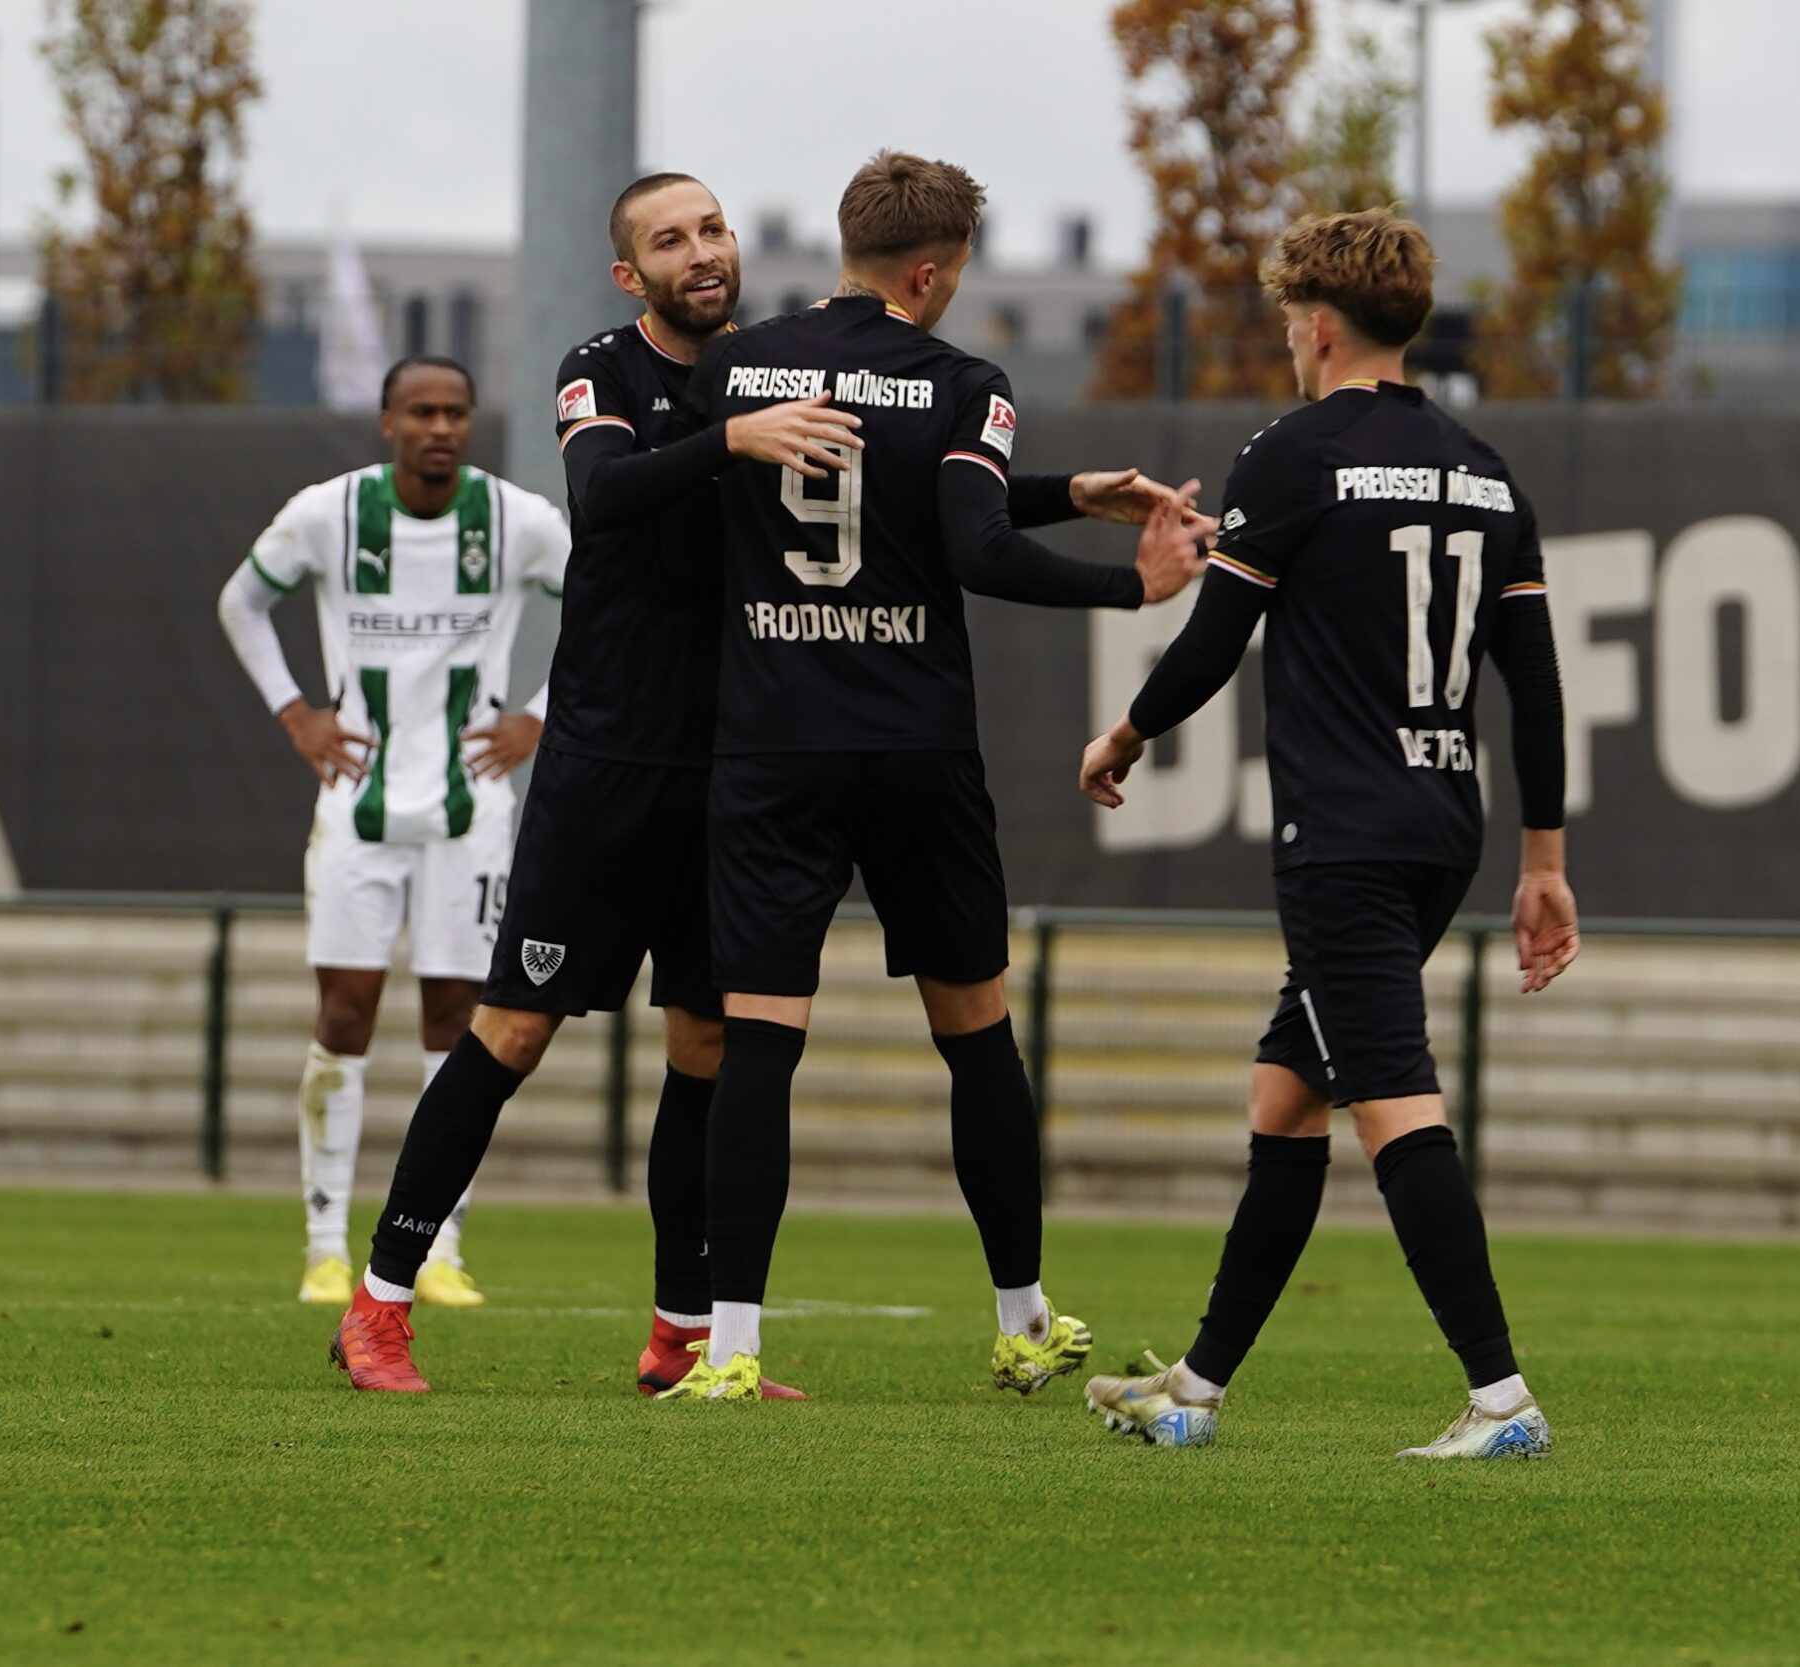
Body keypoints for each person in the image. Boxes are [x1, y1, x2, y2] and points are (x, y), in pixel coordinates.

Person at [328, 172, 1199, 1395]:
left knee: (707, 1044)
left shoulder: (764, 366)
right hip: (610, 759)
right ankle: (378, 1302)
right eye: (670, 239)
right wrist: (729, 436)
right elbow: (604, 496)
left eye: (714, 228)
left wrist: (1068, 494)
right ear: (631, 276)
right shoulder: (613, 373)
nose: (703, 251)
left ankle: (682, 1331)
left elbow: (904, 498)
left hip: (735, 757)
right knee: (513, 1027)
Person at [657, 151, 1211, 1403]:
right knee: (976, 1037)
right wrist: (1133, 583)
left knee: (759, 1042)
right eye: (957, 272)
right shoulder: (962, 381)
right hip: (913, 748)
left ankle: (732, 1348)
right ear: (930, 268)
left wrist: (1070, 494)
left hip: (775, 745)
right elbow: (969, 540)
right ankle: (1019, 1317)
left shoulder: (737, 369)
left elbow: (828, 499)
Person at [1073, 209, 1575, 1458]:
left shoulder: (1295, 453)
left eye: (1291, 320)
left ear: (1317, 324)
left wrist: (1123, 734)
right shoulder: (1485, 468)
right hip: (1439, 822)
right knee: (1286, 1097)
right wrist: (1546, 861)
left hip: (1342, 832)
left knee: (1393, 1106)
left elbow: (1210, 641)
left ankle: (1502, 1400)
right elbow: (1541, 682)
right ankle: (1192, 1392)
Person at [216, 355, 569, 1308]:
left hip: (470, 811)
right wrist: (297, 713)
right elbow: (240, 601)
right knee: (344, 1013)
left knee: (462, 1027)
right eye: (421, 411)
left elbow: (610, 601)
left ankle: (440, 1249)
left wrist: (540, 714)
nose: (440, 426)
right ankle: (324, 1245)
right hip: (359, 806)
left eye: (455, 410)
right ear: (386, 422)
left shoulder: (515, 520)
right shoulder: (327, 514)